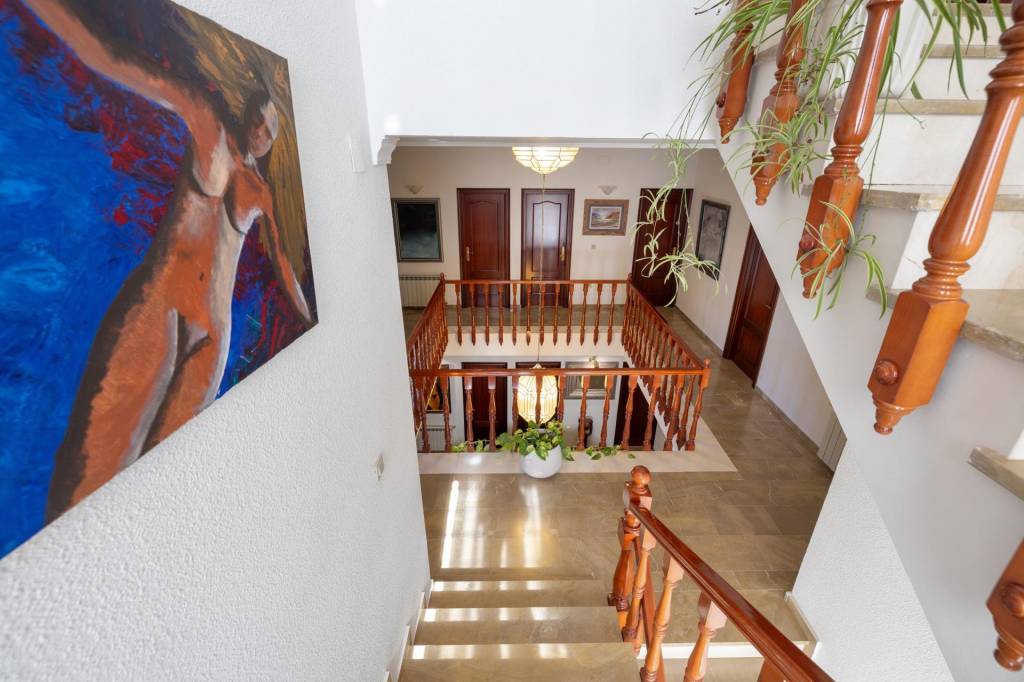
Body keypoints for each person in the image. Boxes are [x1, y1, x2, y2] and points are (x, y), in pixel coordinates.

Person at [22, 0, 314, 521]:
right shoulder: (206, 124)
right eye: (258, 120)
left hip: (214, 332)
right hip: (163, 306)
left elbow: (283, 263)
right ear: (245, 109)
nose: (261, 134)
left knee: (170, 475)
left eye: (270, 132)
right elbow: (113, 60)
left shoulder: (260, 190)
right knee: (91, 479)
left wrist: (309, 317)